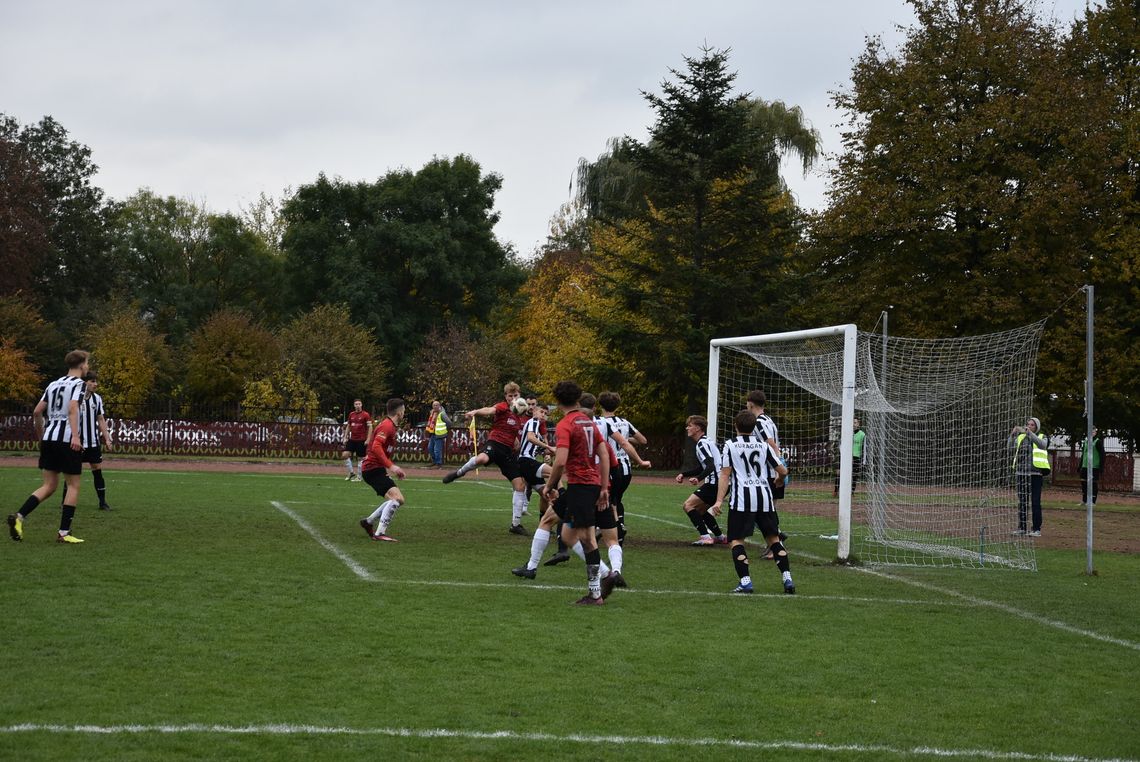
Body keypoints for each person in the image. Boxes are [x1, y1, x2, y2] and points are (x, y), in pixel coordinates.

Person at [538, 380, 611, 605]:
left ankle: (595, 593)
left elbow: (559, 462)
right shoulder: (588, 422)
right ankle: (607, 575)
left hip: (580, 485)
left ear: (558, 401)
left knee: (587, 539)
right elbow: (604, 454)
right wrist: (604, 486)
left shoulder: (565, 424)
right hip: (587, 485)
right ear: (578, 398)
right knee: (568, 535)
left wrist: (549, 486)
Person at [8, 350, 91, 544]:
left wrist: (41, 436)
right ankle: (64, 533)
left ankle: (19, 517)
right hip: (67, 440)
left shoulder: (53, 384)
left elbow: (37, 411)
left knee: (49, 485)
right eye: (87, 363)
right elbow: (72, 408)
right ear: (81, 365)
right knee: (73, 485)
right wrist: (76, 437)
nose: (88, 367)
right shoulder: (79, 385)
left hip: (49, 438)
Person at [710, 410, 794, 594]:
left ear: (735, 425)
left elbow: (725, 474)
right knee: (773, 539)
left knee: (736, 540)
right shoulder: (763, 446)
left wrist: (718, 501)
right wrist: (780, 479)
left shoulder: (730, 445)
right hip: (764, 498)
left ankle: (746, 581)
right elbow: (782, 469)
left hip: (741, 500)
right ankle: (787, 578)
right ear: (754, 427)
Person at [442, 382, 530, 536]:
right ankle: (459, 472)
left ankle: (515, 525)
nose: (513, 398)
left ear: (519, 396)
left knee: (520, 485)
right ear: (506, 397)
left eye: (516, 395)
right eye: (510, 396)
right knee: (482, 459)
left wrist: (516, 441)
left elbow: (513, 433)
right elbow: (490, 410)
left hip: (507, 452)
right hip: (495, 444)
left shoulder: (520, 415)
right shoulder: (503, 407)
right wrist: (475, 412)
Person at [596, 391, 650, 546]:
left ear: (601, 405)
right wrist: (625, 439)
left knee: (607, 500)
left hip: (611, 467)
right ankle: (618, 532)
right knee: (616, 499)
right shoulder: (624, 422)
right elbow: (642, 440)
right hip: (626, 468)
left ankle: (612, 528)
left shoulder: (600, 422)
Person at [358, 398, 409, 542]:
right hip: (372, 469)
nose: (404, 413)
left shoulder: (390, 425)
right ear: (399, 412)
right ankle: (380, 533)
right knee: (397, 499)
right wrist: (391, 466)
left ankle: (368, 522)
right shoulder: (387, 426)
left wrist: (388, 466)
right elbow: (375, 447)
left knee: (397, 499)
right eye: (403, 410)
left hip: (376, 469)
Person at [675, 415, 727, 545]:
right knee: (701, 510)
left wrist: (698, 479)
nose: (687, 428)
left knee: (688, 505)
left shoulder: (702, 444)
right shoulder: (706, 441)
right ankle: (720, 537)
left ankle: (705, 537)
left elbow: (710, 466)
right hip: (722, 483)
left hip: (715, 483)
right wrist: (684, 474)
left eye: (690, 425)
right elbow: (703, 467)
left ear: (698, 428)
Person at [65, 371, 113, 511]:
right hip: (76, 442)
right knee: (71, 472)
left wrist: (107, 437)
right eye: (92, 381)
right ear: (84, 383)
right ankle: (65, 502)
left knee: (97, 470)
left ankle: (102, 502)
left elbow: (100, 419)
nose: (95, 384)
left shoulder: (97, 399)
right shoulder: (74, 399)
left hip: (93, 443)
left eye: (96, 381)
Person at [1009, 416, 1049, 537]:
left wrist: (1031, 434)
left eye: (1032, 425)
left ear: (1036, 427)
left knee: (1035, 502)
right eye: (1028, 424)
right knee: (1022, 502)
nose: (1029, 426)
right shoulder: (1021, 437)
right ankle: (1022, 527)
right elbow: (1010, 447)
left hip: (1035, 475)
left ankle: (1036, 529)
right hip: (1021, 474)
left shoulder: (1043, 437)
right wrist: (1012, 435)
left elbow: (1042, 445)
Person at [341, 399, 373, 481]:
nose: (358, 405)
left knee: (360, 458)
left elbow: (370, 427)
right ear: (354, 405)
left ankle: (359, 476)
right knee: (345, 455)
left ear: (361, 405)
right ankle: (351, 473)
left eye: (359, 404)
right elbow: (348, 426)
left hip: (362, 440)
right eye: (356, 404)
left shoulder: (366, 415)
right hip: (352, 439)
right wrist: (345, 437)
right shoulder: (351, 414)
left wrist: (368, 439)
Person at [833, 417, 866, 496]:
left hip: (856, 457)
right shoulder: (846, 432)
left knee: (854, 476)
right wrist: (844, 455)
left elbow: (864, 448)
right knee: (839, 473)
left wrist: (864, 461)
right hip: (845, 457)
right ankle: (836, 491)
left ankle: (852, 492)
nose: (853, 424)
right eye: (852, 422)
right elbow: (841, 446)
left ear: (858, 424)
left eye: (855, 422)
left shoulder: (862, 434)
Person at [1079, 427, 1105, 506]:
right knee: (1084, 483)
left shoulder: (1098, 442)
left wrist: (1101, 466)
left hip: (1094, 466)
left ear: (1095, 433)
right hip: (1085, 466)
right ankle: (1084, 500)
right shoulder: (1085, 441)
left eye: (1093, 432)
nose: (1091, 433)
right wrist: (1080, 465)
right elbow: (1083, 453)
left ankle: (1093, 501)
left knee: (1093, 484)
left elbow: (1102, 454)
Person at [425, 400, 452, 467]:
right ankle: (434, 461)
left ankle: (439, 463)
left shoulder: (442, 414)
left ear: (439, 406)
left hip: (439, 434)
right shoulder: (432, 412)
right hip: (432, 433)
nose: (435, 406)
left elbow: (449, 423)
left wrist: (445, 430)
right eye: (434, 405)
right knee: (430, 448)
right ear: (432, 406)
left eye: (437, 405)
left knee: (437, 450)